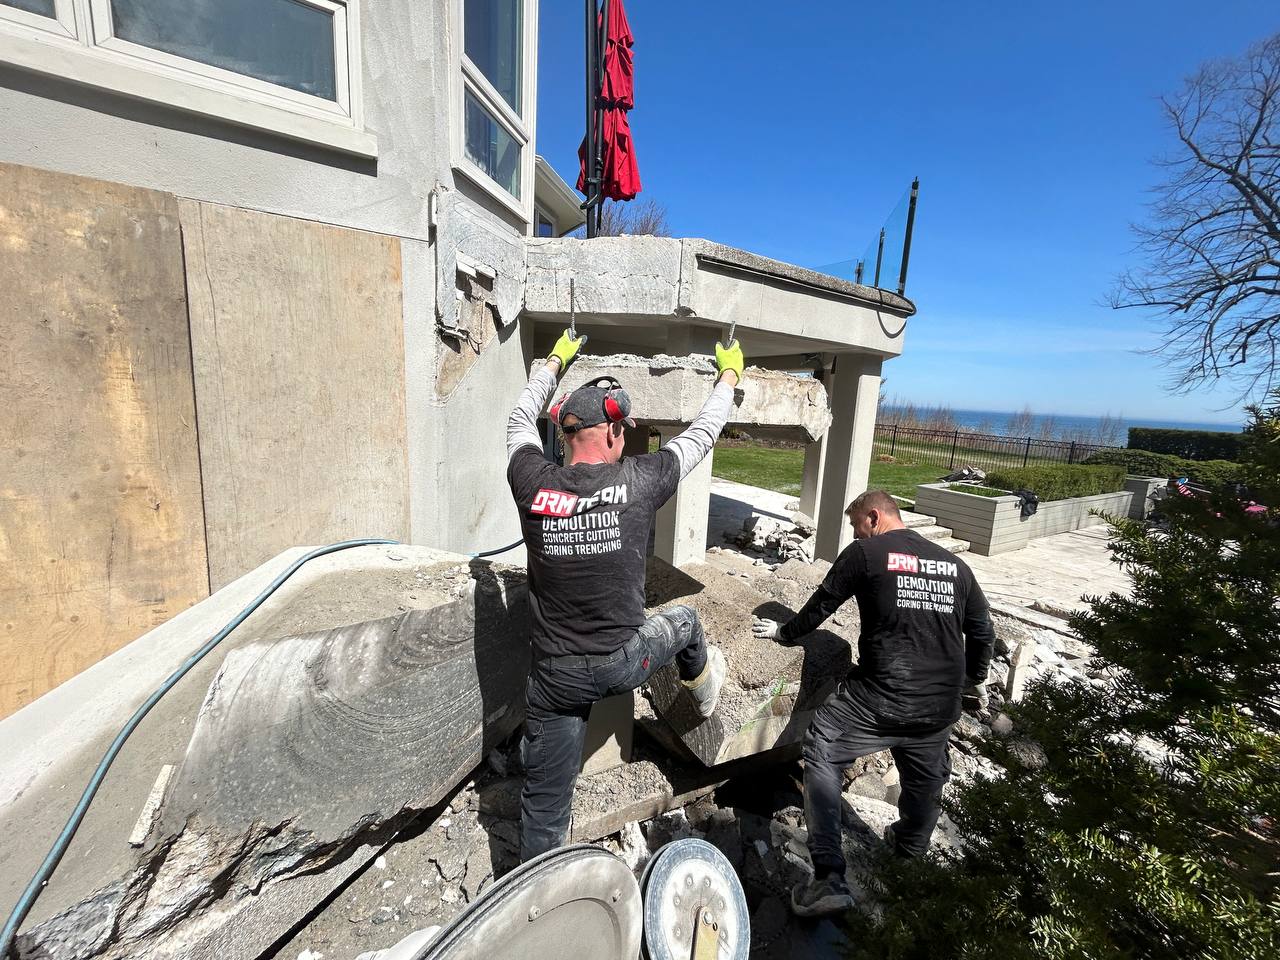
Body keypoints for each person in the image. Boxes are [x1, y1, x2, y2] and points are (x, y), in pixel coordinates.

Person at [507, 328, 745, 862]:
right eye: (623, 432)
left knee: (545, 809)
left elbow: (519, 418)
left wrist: (552, 363)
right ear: (613, 430)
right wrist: (728, 377)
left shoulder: (531, 480)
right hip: (621, 663)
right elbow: (702, 435)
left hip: (555, 677)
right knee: (685, 622)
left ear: (565, 433)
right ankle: (705, 693)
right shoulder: (640, 480)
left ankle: (535, 888)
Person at [752, 490, 996, 917]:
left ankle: (828, 877)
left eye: (855, 525)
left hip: (880, 697)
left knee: (823, 746)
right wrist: (972, 681)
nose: (854, 534)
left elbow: (823, 604)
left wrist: (784, 633)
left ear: (874, 516)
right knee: (925, 780)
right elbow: (983, 632)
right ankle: (908, 858)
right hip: (939, 705)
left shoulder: (866, 554)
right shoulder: (955, 566)